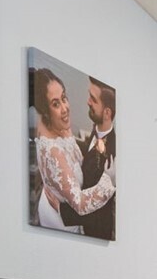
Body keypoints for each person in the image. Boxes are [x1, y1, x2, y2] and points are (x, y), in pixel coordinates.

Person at [31, 67, 113, 233]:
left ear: (107, 112)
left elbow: (75, 155)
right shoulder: (53, 151)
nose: (65, 108)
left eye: (64, 98)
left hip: (58, 204)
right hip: (60, 220)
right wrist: (109, 181)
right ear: (45, 111)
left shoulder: (60, 126)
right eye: (55, 104)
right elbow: (81, 205)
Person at [60, 77, 116, 239]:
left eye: (93, 99)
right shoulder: (96, 130)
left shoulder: (112, 156)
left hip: (94, 232)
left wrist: (57, 209)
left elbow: (98, 210)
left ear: (107, 113)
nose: (87, 101)